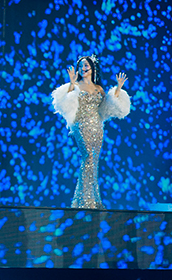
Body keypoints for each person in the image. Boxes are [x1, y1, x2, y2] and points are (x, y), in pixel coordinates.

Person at [51, 55, 131, 209]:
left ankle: (89, 200)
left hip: (97, 126)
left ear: (92, 68)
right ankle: (86, 201)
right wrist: (71, 83)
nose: (83, 68)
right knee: (87, 157)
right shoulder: (76, 85)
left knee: (94, 162)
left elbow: (107, 106)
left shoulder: (99, 88)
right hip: (81, 124)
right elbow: (66, 101)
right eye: (81, 66)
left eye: (86, 65)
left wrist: (118, 88)